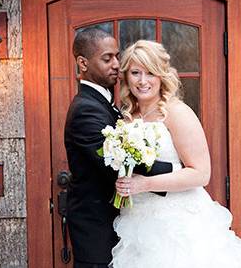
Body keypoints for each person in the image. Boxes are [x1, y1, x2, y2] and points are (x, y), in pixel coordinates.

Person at [111, 40, 241, 268]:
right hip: (138, 221)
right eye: (136, 73)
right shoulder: (127, 116)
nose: (143, 81)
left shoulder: (177, 113)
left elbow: (200, 174)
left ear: (161, 75)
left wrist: (144, 185)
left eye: (150, 72)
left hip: (178, 223)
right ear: (127, 77)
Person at [64, 29, 174, 268]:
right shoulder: (86, 110)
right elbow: (118, 164)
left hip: (120, 223)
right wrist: (178, 171)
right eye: (107, 58)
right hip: (96, 230)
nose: (116, 64)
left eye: (117, 56)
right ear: (83, 63)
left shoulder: (104, 103)